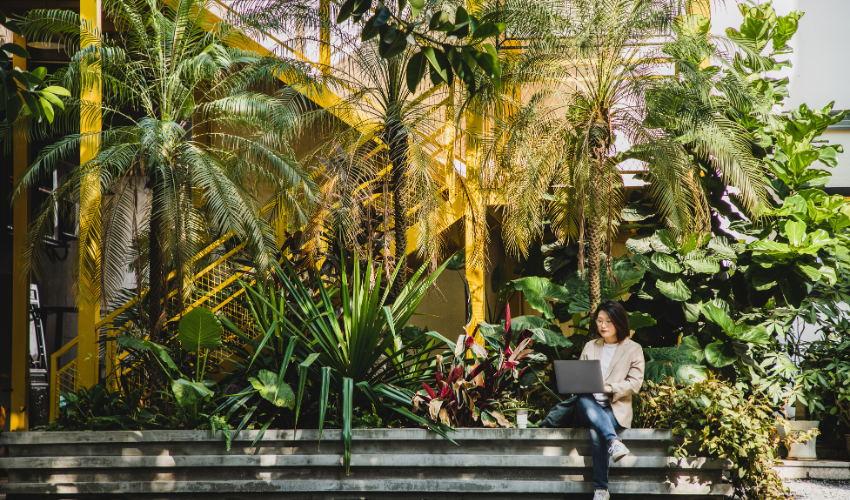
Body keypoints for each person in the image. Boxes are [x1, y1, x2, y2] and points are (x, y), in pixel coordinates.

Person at [578, 300, 645, 500]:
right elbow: (579, 377)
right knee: (582, 396)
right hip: (587, 405)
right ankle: (614, 441)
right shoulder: (590, 346)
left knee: (595, 431)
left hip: (614, 408)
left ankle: (601, 490)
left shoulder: (633, 348)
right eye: (599, 321)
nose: (603, 325)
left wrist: (609, 388)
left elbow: (635, 383)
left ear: (619, 322)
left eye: (608, 321)